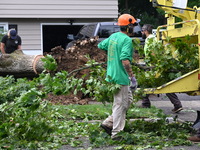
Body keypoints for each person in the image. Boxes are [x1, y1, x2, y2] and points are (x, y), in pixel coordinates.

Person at [98, 14, 137, 140]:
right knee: (120, 104)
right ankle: (117, 133)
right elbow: (125, 60)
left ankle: (109, 122)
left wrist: (112, 52)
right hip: (121, 77)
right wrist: (131, 75)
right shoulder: (127, 40)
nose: (134, 28)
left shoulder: (113, 36)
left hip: (111, 75)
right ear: (129, 26)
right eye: (133, 26)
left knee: (127, 100)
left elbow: (101, 45)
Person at [141, 24, 183, 113]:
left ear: (145, 31)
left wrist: (152, 64)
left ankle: (145, 104)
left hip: (153, 65)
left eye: (142, 31)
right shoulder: (153, 38)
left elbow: (152, 52)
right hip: (156, 65)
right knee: (164, 85)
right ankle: (177, 104)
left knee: (145, 84)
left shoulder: (150, 39)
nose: (141, 33)